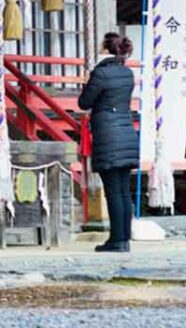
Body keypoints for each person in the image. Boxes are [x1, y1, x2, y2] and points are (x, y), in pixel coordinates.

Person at [78, 32, 138, 253]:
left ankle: (116, 240)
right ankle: (124, 239)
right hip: (126, 133)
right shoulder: (127, 73)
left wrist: (87, 83)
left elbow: (84, 102)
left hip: (108, 135)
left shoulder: (101, 74)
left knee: (113, 191)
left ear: (107, 48)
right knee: (123, 191)